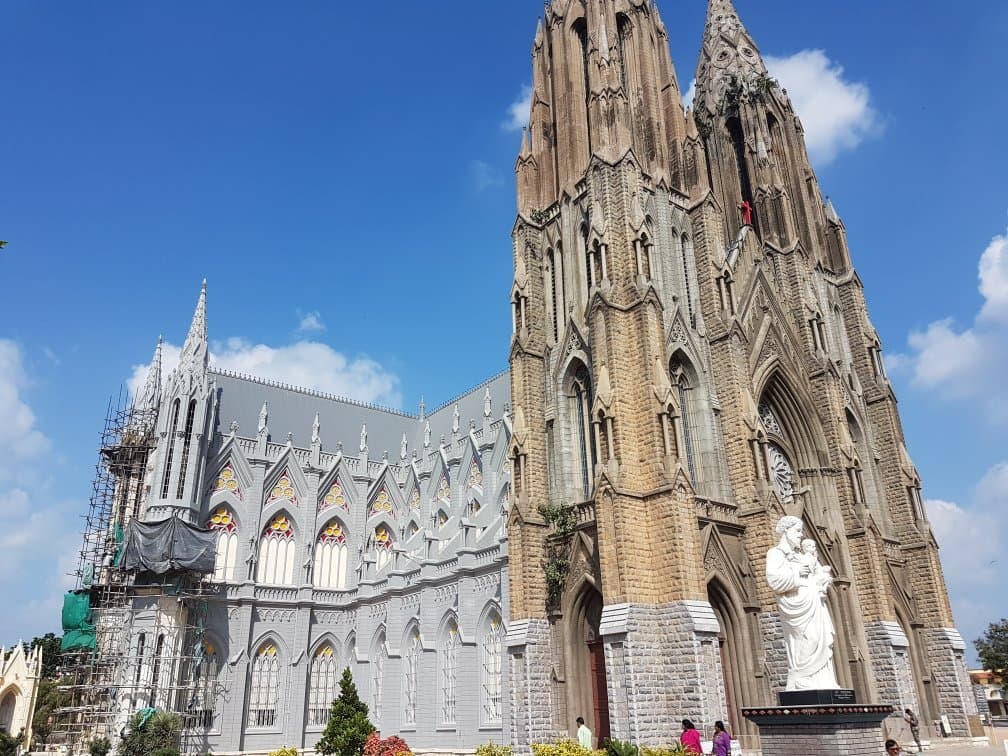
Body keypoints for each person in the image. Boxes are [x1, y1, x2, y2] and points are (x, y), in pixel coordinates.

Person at [766, 516, 840, 690]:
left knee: (822, 638)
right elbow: (774, 580)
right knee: (811, 638)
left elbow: (814, 573)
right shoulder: (776, 553)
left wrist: (822, 579)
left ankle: (822, 680)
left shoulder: (801, 555)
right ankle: (801, 676)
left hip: (813, 602)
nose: (800, 535)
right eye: (797, 531)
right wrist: (798, 573)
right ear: (786, 531)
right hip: (796, 605)